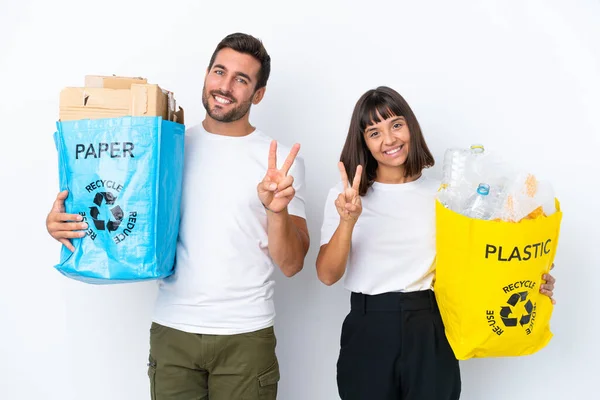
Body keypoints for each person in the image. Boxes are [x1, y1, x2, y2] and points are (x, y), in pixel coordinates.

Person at [46, 32, 310, 400]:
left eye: (241, 79)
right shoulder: (163, 147)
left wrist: (275, 211)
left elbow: (293, 263)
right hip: (173, 332)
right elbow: (115, 210)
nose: (225, 86)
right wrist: (66, 221)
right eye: (220, 72)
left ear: (258, 94)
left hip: (246, 336)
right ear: (206, 74)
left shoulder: (279, 161)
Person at [316, 86, 556, 400]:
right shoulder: (346, 195)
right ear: (363, 142)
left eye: (396, 125)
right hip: (368, 327)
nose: (389, 139)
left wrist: (530, 281)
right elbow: (327, 275)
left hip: (430, 324)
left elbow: (481, 260)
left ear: (410, 127)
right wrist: (347, 221)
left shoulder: (446, 196)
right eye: (374, 132)